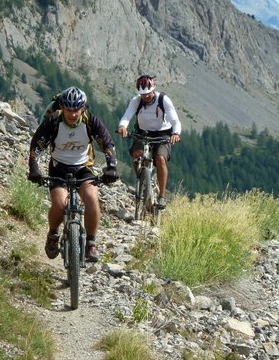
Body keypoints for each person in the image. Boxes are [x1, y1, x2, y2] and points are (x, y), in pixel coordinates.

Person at [28, 86, 118, 262]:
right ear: (62, 107)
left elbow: (107, 144)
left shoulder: (91, 121)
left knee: (92, 198)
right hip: (58, 167)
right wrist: (34, 168)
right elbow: (37, 146)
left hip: (84, 167)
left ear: (82, 108)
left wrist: (112, 167)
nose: (73, 114)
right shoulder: (53, 121)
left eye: (76, 109)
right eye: (69, 109)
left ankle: (91, 243)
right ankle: (53, 233)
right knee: (60, 204)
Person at [116, 74, 181, 209]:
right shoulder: (136, 100)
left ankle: (162, 196)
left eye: (148, 94)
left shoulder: (163, 100)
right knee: (136, 155)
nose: (145, 97)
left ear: (154, 89)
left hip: (163, 134)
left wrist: (175, 133)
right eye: (142, 94)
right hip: (143, 132)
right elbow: (127, 116)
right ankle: (142, 180)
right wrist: (122, 126)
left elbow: (175, 120)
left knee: (160, 158)